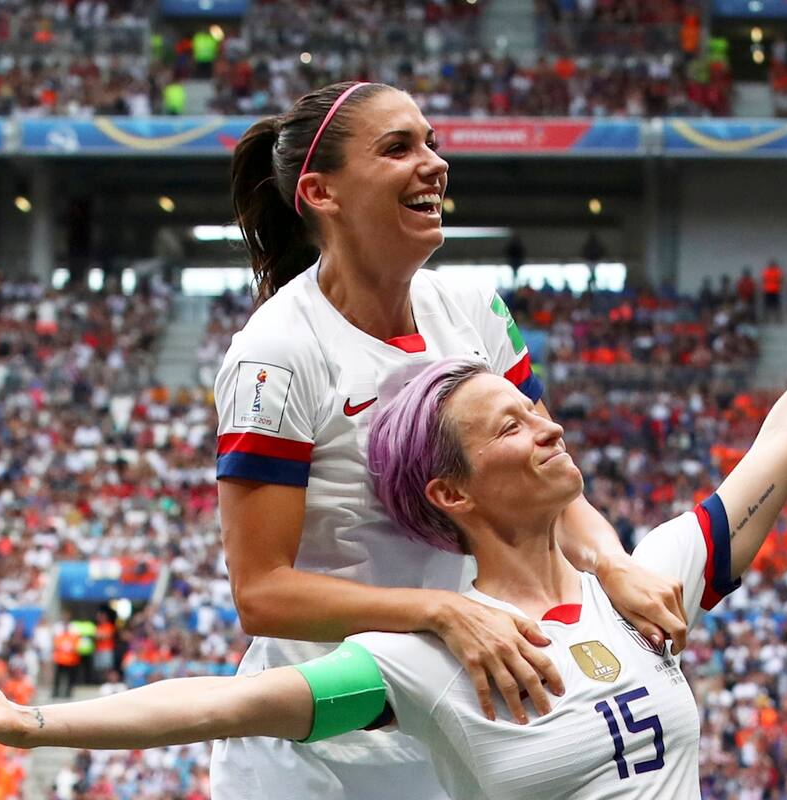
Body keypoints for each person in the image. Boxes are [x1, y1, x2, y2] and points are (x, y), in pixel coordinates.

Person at [0, 150, 787, 799]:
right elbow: (225, 701)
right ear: (451, 491)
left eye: (531, 404)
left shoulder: (641, 581)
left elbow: (785, 441)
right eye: (507, 422)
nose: (543, 418)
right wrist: (30, 721)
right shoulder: (424, 660)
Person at [211, 80, 689, 799]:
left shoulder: (472, 308)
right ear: (321, 192)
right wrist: (441, 611)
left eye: (431, 142)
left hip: (465, 722)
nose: (434, 162)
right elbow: (261, 592)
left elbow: (545, 474)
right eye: (398, 148)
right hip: (322, 759)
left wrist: (610, 564)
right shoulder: (275, 353)